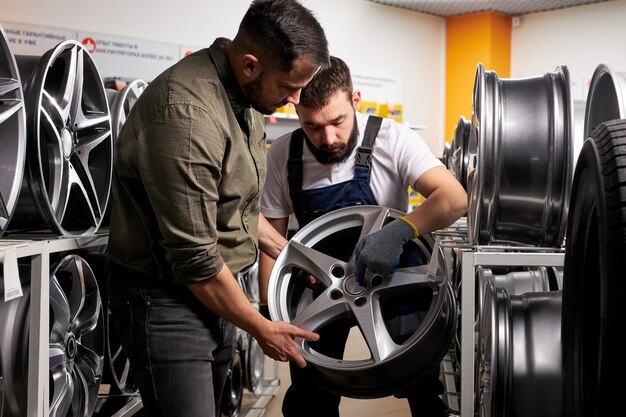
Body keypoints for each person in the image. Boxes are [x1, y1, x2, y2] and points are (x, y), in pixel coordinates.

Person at [106, 1, 329, 416]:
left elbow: (236, 209)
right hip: (167, 299)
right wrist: (261, 327)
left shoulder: (249, 100)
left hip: (215, 292)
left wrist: (293, 255)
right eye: (289, 86)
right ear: (250, 65)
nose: (296, 98)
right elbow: (195, 258)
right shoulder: (188, 115)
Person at [258, 56, 467, 417]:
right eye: (312, 127)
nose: (327, 138)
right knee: (310, 399)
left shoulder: (393, 138)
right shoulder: (282, 154)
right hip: (319, 289)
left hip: (396, 279)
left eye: (337, 121)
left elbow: (454, 198)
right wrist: (267, 314)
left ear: (356, 100)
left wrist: (401, 231)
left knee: (422, 389)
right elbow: (270, 245)